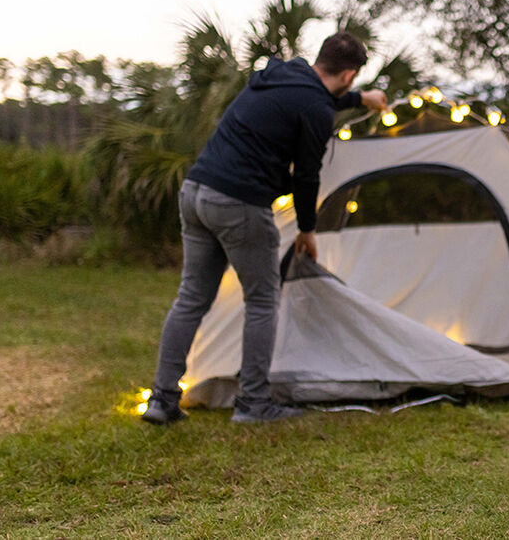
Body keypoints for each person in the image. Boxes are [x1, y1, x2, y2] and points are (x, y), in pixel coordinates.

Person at [141, 32, 388, 425]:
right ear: (350, 74)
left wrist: (361, 100)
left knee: (191, 298)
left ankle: (162, 399)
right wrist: (308, 229)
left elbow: (312, 99)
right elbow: (307, 176)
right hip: (239, 203)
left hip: (196, 191)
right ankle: (253, 403)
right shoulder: (317, 110)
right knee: (261, 300)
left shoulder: (283, 73)